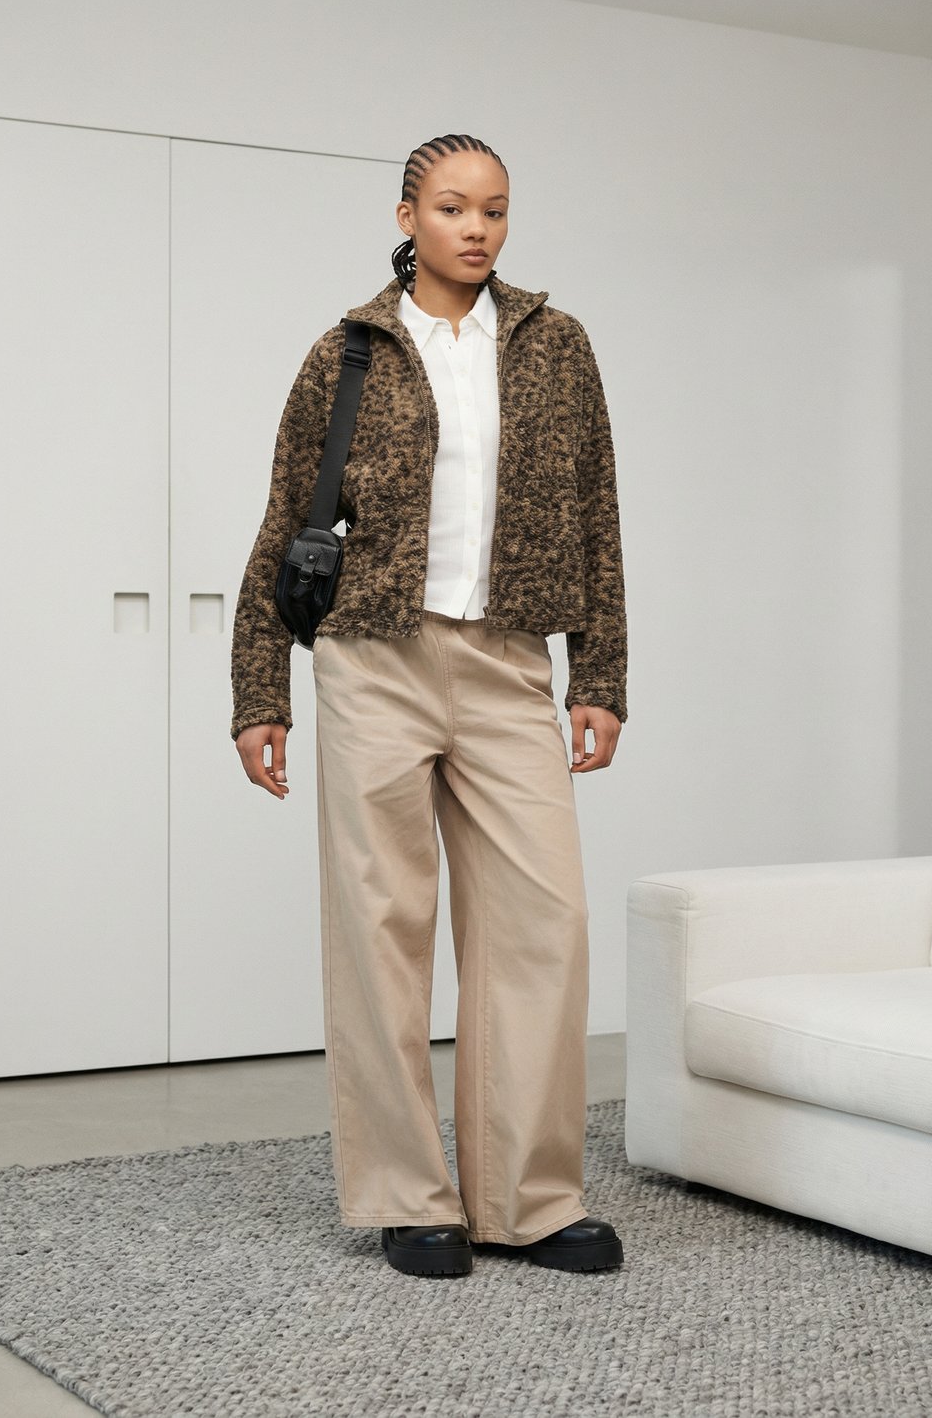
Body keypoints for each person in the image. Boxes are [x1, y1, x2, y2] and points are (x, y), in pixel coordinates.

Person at [230, 133, 628, 1279]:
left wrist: (600, 672)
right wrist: (260, 688)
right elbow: (286, 520)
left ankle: (528, 1201)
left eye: (494, 209)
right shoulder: (346, 353)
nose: (476, 228)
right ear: (407, 215)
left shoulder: (556, 345)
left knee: (543, 922)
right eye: (452, 207)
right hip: (373, 659)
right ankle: (410, 1195)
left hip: (508, 662)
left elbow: (598, 511)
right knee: (382, 925)